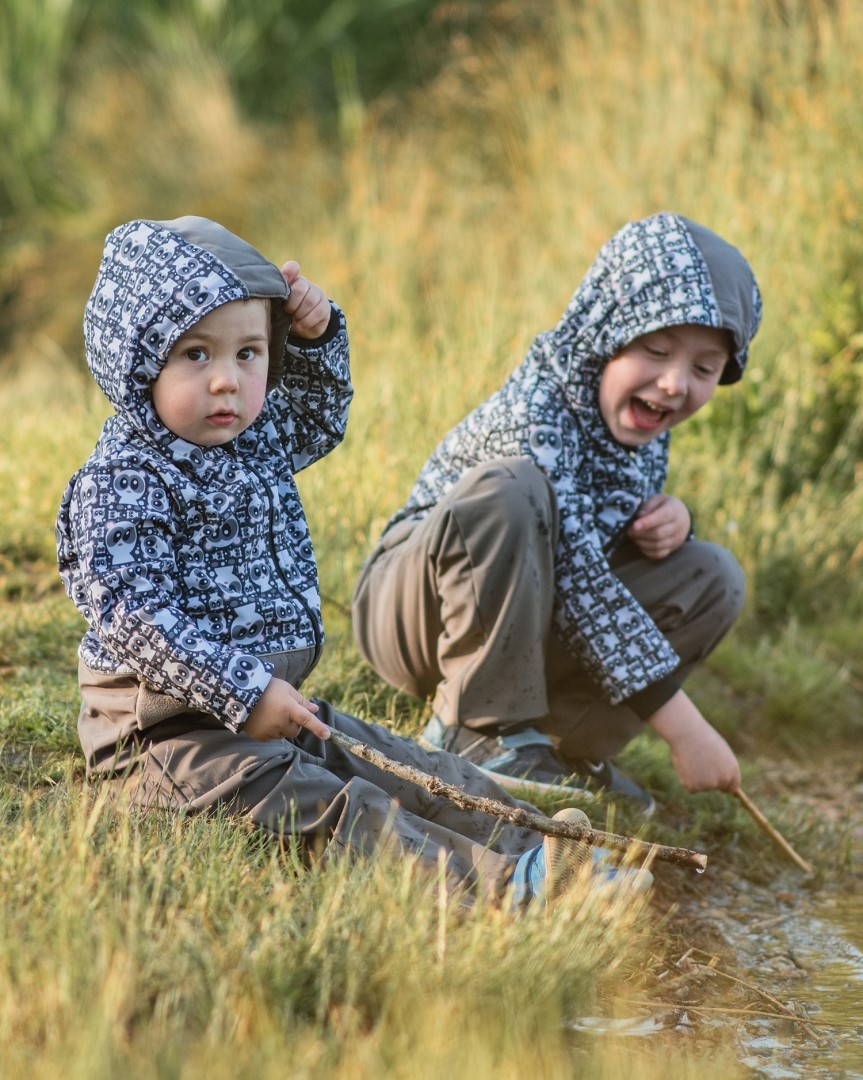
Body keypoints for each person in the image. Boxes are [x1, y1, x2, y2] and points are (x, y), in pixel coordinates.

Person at [56, 215, 649, 910]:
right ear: (136, 360)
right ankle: (504, 893)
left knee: (412, 768)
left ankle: (545, 850)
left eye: (249, 354)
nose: (227, 382)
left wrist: (315, 338)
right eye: (195, 355)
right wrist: (241, 692)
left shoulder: (250, 440)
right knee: (336, 806)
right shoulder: (124, 480)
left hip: (265, 702)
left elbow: (315, 417)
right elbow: (130, 611)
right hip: (165, 736)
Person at [352, 211, 762, 814]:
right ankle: (476, 727)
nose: (676, 383)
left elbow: (594, 550)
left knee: (713, 574)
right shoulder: (535, 414)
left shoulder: (640, 416)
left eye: (704, 368)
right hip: (418, 615)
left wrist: (672, 521)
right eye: (656, 349)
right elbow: (579, 580)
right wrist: (685, 728)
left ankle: (559, 747)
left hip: (526, 620)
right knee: (512, 489)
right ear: (604, 332)